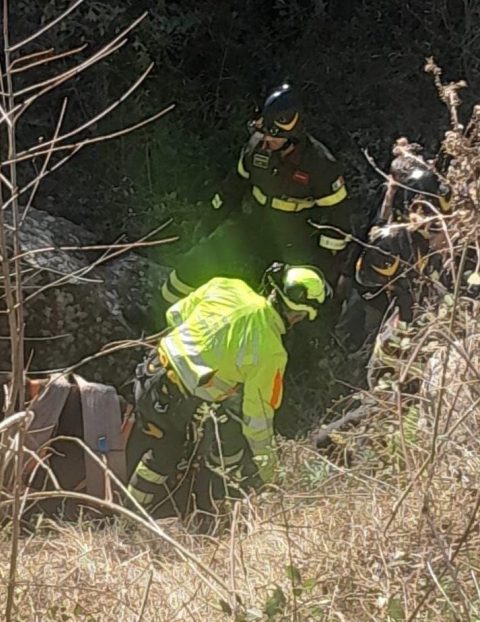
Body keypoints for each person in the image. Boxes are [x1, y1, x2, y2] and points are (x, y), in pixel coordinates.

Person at [127, 263, 330, 508]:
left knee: (162, 440)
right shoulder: (272, 353)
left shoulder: (229, 285)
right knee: (163, 457)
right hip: (175, 405)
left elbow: (175, 314)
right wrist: (271, 473)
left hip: (149, 371)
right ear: (298, 315)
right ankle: (132, 516)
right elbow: (257, 420)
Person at [161, 84, 354, 306]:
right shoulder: (256, 149)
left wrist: (324, 266)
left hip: (296, 239)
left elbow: (338, 217)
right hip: (253, 224)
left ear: (292, 137)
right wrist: (210, 220)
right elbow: (233, 186)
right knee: (196, 261)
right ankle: (157, 314)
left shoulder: (320, 164)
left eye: (272, 136)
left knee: (292, 299)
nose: (265, 141)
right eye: (262, 133)